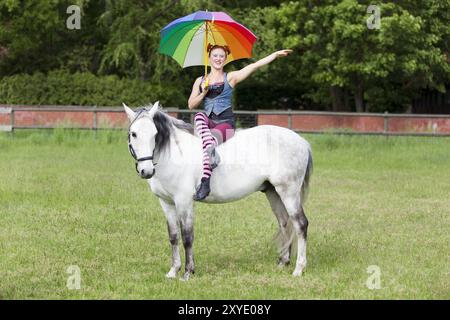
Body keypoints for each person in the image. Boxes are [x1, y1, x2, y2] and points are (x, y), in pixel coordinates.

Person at [188, 44, 293, 200]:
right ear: (209, 58)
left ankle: (205, 183)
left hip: (225, 123)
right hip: (208, 122)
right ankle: (210, 151)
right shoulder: (200, 80)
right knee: (198, 116)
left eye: (221, 56)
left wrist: (274, 55)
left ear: (225, 59)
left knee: (208, 142)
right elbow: (191, 105)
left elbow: (254, 66)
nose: (218, 58)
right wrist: (203, 92)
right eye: (215, 55)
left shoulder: (230, 77)